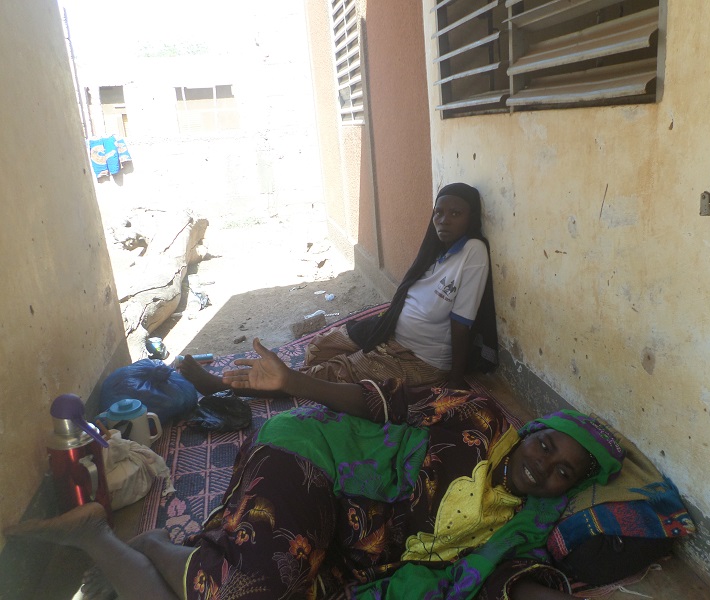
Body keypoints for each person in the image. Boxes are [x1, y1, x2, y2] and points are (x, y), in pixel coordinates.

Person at [5, 339, 624, 600]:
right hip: (316, 459)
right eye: (548, 450)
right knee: (251, 590)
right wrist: (290, 382)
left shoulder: (519, 527)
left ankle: (98, 538)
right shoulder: (482, 417)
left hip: (356, 549)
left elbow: (510, 579)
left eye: (566, 472)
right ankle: (156, 544)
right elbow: (381, 401)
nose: (547, 471)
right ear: (532, 435)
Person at [180, 182, 498, 395]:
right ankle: (300, 378)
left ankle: (231, 387)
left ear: (470, 220)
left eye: (455, 213)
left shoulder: (472, 253)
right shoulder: (435, 249)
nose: (443, 220)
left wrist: (456, 382)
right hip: (390, 335)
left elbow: (462, 323)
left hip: (418, 359)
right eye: (439, 212)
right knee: (321, 346)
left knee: (333, 375)